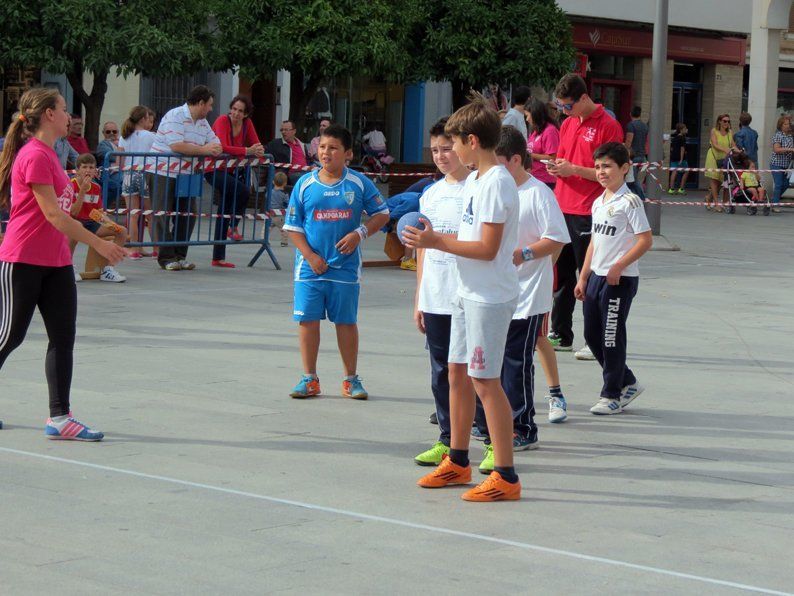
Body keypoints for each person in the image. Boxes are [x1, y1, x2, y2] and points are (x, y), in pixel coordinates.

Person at [404, 95, 522, 502]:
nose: (449, 150)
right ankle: (457, 460)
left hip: (489, 295)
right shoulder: (475, 180)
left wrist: (437, 241)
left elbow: (489, 248)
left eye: (453, 143)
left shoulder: (497, 182)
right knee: (457, 372)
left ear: (472, 141)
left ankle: (505, 474)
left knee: (486, 381)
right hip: (464, 290)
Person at [0, 87, 125, 439]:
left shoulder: (53, 155)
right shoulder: (35, 156)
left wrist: (83, 192)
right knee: (9, 336)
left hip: (55, 261)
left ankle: (59, 418)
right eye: (64, 108)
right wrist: (99, 241)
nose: (69, 115)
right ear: (48, 115)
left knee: (62, 338)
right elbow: (53, 215)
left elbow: (66, 211)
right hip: (23, 259)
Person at [473, 125, 570, 474]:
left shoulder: (538, 193)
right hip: (495, 293)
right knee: (491, 362)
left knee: (517, 361)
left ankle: (524, 427)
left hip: (528, 295)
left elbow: (556, 238)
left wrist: (524, 254)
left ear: (516, 160)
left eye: (500, 164)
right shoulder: (487, 188)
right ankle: (488, 421)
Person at [283, 124, 390, 400]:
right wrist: (310, 255)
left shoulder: (358, 183)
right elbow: (292, 227)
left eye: (333, 148)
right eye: (322, 147)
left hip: (345, 267)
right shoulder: (305, 184)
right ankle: (309, 379)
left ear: (348, 154)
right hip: (310, 267)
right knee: (307, 320)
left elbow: (382, 213)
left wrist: (359, 233)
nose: (326, 153)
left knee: (345, 321)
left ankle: (351, 380)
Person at [545, 74, 623, 360]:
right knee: (562, 275)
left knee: (589, 275)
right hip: (562, 206)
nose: (564, 111)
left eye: (568, 106)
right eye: (561, 107)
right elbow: (564, 159)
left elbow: (609, 172)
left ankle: (595, 338)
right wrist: (557, 167)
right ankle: (561, 333)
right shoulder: (567, 124)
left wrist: (575, 170)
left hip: (588, 210)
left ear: (584, 99)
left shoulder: (608, 126)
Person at [574, 142, 651, 415]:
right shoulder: (599, 202)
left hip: (620, 280)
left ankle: (611, 395)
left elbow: (645, 240)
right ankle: (627, 381)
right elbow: (595, 242)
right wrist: (583, 277)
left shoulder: (629, 201)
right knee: (591, 335)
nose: (601, 172)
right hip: (596, 276)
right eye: (597, 167)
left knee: (611, 336)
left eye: (607, 166)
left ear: (624, 168)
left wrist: (619, 266)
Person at [412, 117, 471, 466]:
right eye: (435, 150)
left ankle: (490, 439)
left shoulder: (479, 188)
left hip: (468, 296)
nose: (441, 156)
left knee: (475, 374)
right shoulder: (430, 194)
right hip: (436, 296)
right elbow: (423, 249)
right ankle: (447, 440)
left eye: (447, 148)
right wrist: (420, 296)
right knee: (440, 373)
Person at [148, 85, 223, 271]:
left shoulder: (203, 123)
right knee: (162, 214)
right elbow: (176, 145)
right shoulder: (175, 116)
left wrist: (213, 148)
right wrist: (204, 150)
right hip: (162, 172)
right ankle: (166, 257)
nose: (211, 109)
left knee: (188, 214)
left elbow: (216, 142)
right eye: (210, 105)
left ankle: (180, 255)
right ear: (200, 103)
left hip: (187, 173)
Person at [206, 94, 265, 268]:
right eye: (234, 109)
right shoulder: (222, 120)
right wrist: (248, 151)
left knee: (224, 209)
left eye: (240, 111)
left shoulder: (247, 124)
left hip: (231, 170)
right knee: (244, 191)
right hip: (213, 169)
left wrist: (260, 152)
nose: (236, 113)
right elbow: (223, 146)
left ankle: (218, 257)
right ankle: (233, 226)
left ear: (246, 114)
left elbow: (256, 144)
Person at [68, 153, 127, 283]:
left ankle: (108, 270)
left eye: (91, 167)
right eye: (84, 167)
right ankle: (68, 267)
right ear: (77, 171)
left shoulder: (96, 187)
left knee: (121, 230)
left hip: (91, 222)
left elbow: (98, 213)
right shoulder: (70, 184)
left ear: (95, 171)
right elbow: (73, 213)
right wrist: (82, 191)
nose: (88, 170)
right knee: (74, 230)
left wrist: (111, 224)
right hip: (74, 221)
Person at [119, 105, 157, 259]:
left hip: (128, 173)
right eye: (148, 118)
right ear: (143, 119)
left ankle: (135, 248)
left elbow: (120, 160)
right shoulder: (150, 136)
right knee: (150, 214)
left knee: (133, 215)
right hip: (145, 174)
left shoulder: (124, 137)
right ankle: (157, 248)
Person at [704, 114, 737, 212]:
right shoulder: (714, 131)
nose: (726, 123)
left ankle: (708, 198)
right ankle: (716, 204)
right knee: (714, 181)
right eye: (724, 121)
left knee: (720, 182)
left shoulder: (730, 132)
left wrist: (739, 151)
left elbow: (733, 145)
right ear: (719, 121)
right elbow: (715, 144)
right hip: (713, 157)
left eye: (728, 121)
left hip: (724, 159)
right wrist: (725, 149)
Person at [525, 97, 560, 190]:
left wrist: (531, 155)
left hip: (545, 179)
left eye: (528, 115)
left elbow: (552, 157)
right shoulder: (535, 131)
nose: (527, 119)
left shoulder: (550, 131)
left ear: (535, 114)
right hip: (534, 176)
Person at [265, 121, 309, 186]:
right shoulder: (276, 144)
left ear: (294, 131)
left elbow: (308, 159)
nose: (283, 132)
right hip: (293, 173)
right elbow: (264, 152)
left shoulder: (302, 144)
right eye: (282, 130)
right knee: (305, 181)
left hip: (307, 171)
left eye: (286, 130)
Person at [769, 115, 793, 214]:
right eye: (785, 124)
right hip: (776, 163)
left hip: (787, 165)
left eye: (788, 124)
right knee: (778, 184)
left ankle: (773, 200)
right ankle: (775, 205)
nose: (787, 126)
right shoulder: (778, 135)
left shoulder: (791, 136)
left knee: (786, 184)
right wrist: (790, 149)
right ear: (780, 125)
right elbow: (776, 149)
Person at [96, 121, 123, 207]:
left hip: (121, 171)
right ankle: (102, 208)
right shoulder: (103, 144)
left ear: (118, 132)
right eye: (108, 132)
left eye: (114, 131)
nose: (112, 134)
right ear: (103, 133)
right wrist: (122, 153)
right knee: (122, 183)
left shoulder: (122, 142)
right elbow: (110, 156)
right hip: (109, 174)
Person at [624, 106, 648, 200]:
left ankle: (642, 198)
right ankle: (635, 198)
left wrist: (625, 151)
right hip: (642, 156)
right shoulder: (644, 126)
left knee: (633, 180)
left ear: (630, 114)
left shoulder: (631, 125)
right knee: (635, 179)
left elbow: (629, 140)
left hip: (633, 156)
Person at [667, 122, 690, 194]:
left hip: (674, 157)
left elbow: (671, 148)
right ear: (681, 130)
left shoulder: (675, 138)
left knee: (674, 171)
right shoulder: (682, 138)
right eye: (685, 128)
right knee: (686, 171)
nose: (686, 129)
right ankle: (681, 188)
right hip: (681, 158)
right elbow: (682, 149)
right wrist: (681, 159)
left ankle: (671, 189)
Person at [270, 170, 290, 247]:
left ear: (273, 182)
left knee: (266, 229)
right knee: (283, 229)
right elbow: (288, 203)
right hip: (280, 215)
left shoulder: (270, 192)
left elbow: (266, 197)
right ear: (285, 183)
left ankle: (264, 239)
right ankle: (284, 242)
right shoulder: (284, 194)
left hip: (270, 214)